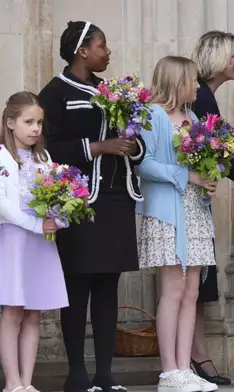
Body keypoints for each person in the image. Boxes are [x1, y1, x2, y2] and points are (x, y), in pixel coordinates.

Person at [39, 21, 145, 392]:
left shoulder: (109, 91)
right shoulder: (54, 93)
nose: (108, 51)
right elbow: (47, 149)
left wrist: (132, 146)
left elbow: (133, 137)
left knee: (107, 286)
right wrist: (99, 148)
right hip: (80, 204)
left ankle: (104, 373)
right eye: (102, 45)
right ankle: (76, 374)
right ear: (83, 51)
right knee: (77, 285)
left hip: (117, 199)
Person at [136, 55, 218, 392]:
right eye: (193, 80)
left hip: (195, 211)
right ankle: (168, 371)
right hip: (167, 212)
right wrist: (187, 175)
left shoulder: (194, 116)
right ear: (176, 82)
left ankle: (185, 368)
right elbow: (144, 164)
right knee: (172, 290)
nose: (198, 87)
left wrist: (208, 181)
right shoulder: (154, 115)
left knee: (192, 291)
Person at [187, 31, 234, 386]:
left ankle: (198, 354)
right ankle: (197, 356)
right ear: (220, 58)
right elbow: (215, 154)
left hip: (199, 199)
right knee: (194, 282)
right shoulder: (202, 97)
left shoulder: (206, 95)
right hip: (190, 199)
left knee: (199, 283)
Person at [0, 92, 68, 392]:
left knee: (34, 311)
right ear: (10, 122)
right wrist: (36, 224)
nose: (35, 128)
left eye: (39, 122)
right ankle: (12, 382)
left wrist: (61, 216)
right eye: (28, 122)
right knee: (13, 310)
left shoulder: (43, 158)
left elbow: (59, 196)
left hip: (41, 243)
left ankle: (28, 382)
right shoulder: (3, 157)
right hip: (15, 240)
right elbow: (5, 207)